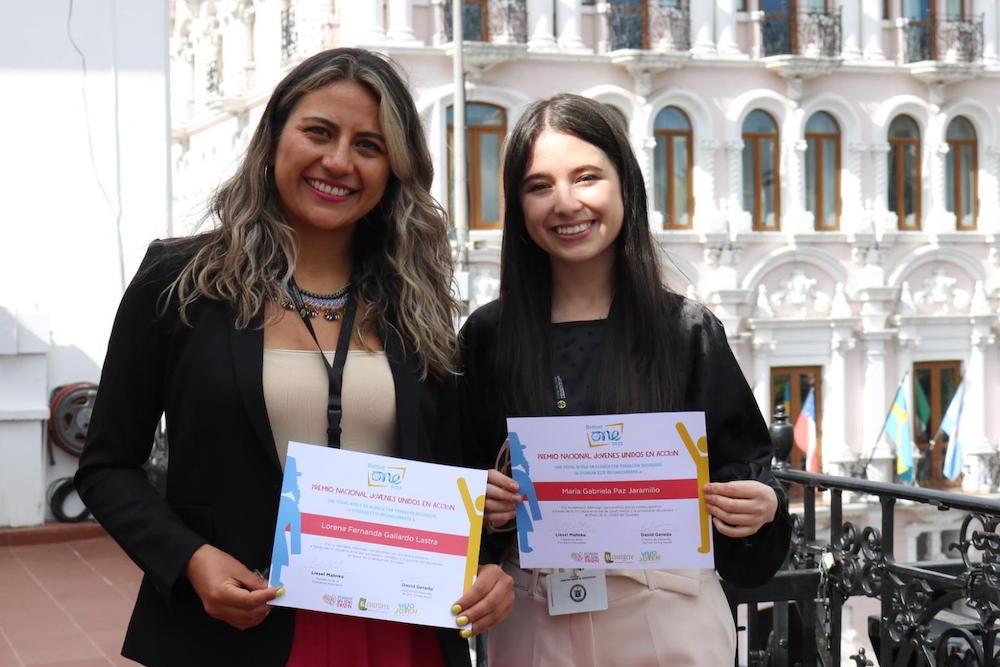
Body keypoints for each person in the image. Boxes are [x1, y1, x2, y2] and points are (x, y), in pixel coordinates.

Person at [75, 48, 512, 667]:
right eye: (319, 132)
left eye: (369, 144)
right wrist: (191, 560)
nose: (338, 161)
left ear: (395, 167)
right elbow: (107, 466)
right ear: (275, 136)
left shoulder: (417, 302)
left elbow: (447, 471)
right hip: (234, 629)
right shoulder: (180, 281)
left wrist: (489, 565)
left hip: (399, 631)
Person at [458, 94, 792, 667]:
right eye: (539, 186)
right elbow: (455, 479)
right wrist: (476, 505)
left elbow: (746, 473)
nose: (566, 204)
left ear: (625, 186)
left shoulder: (686, 331)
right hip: (533, 625)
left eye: (586, 177)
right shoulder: (488, 336)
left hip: (669, 623)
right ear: (517, 204)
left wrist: (760, 506)